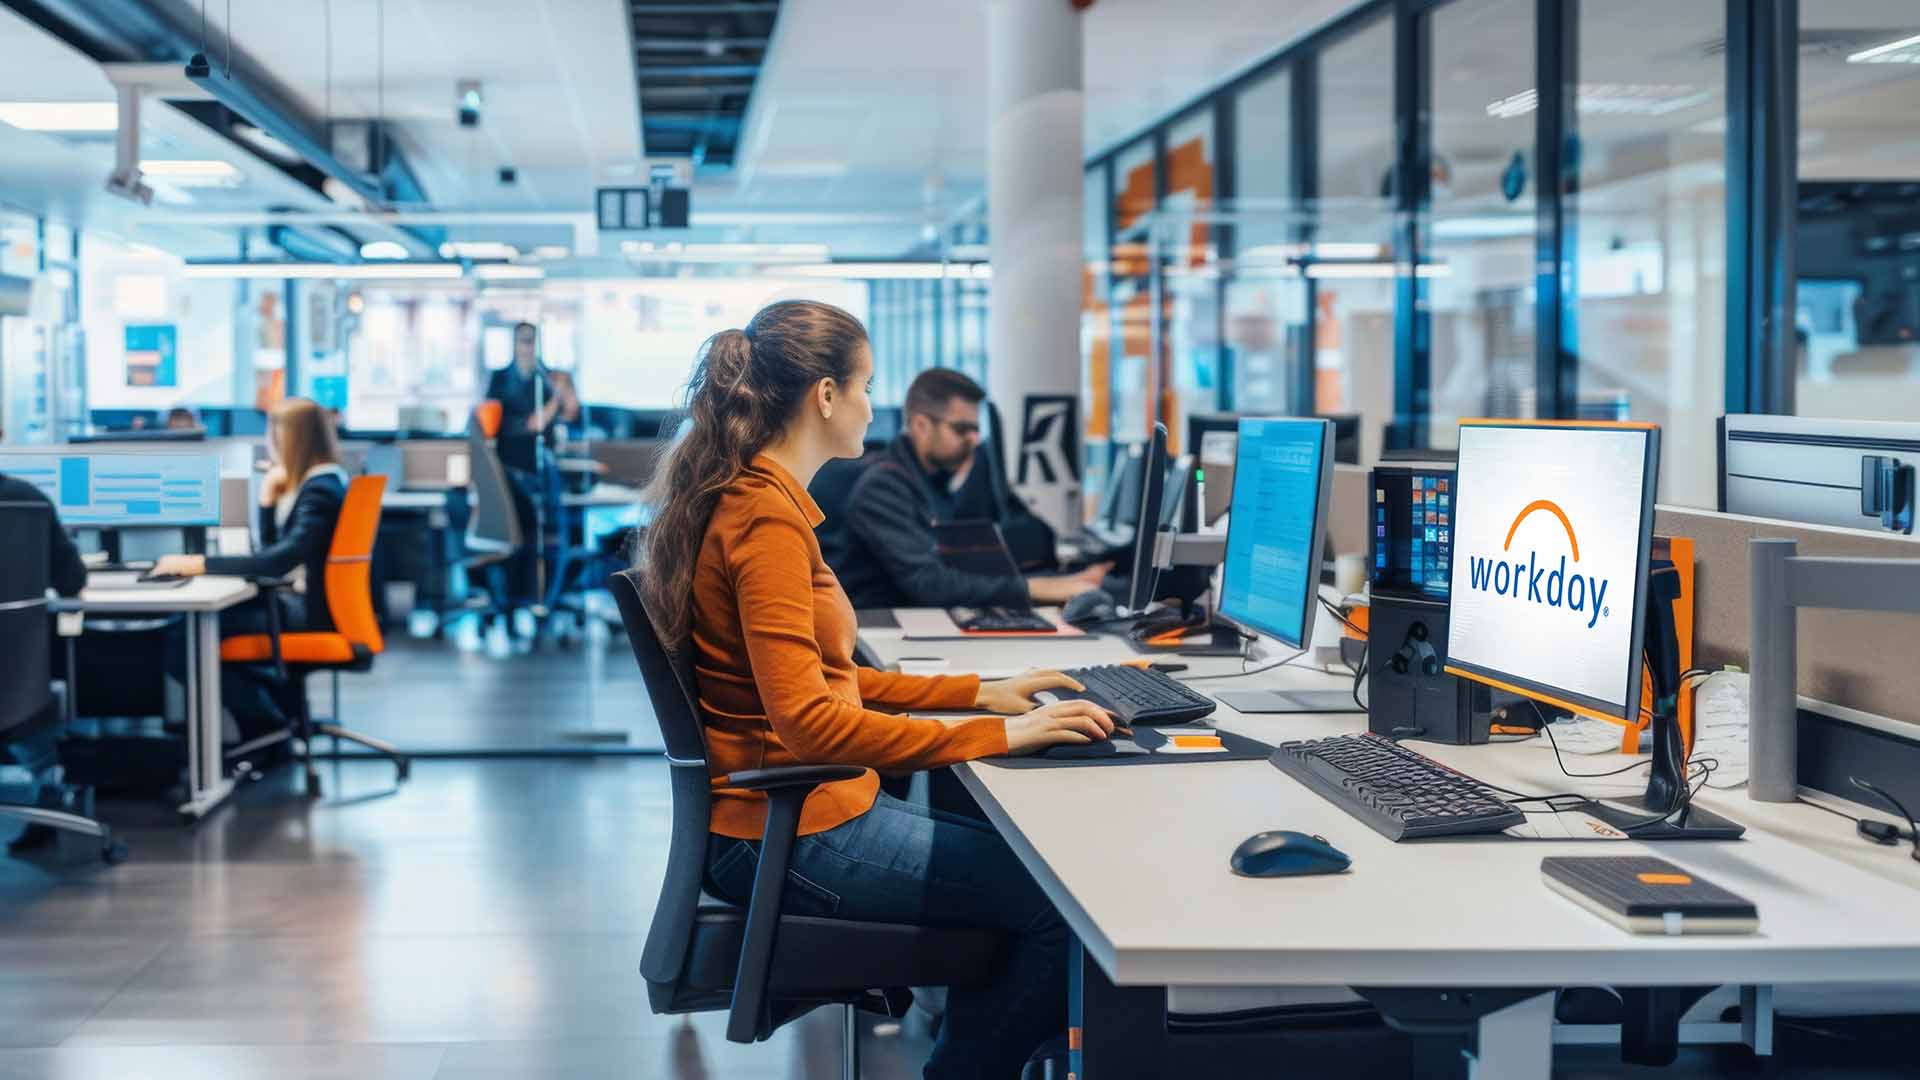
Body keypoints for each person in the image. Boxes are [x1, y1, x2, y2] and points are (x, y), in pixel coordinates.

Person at [638, 300, 1115, 1078]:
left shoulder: (758, 501)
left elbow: (829, 679)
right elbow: (812, 726)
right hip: (795, 835)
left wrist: (985, 693)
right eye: (866, 386)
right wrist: (1002, 736)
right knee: (1063, 905)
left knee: (1032, 873)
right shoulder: (764, 524)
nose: (873, 405)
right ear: (825, 396)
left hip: (789, 821)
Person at [824, 367, 1107, 610]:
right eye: (962, 430)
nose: (973, 439)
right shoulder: (883, 486)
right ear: (921, 425)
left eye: (975, 429)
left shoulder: (928, 482)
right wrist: (1039, 589)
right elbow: (930, 583)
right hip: (874, 633)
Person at [152, 397, 348, 741]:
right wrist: (268, 502)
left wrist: (199, 564)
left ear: (292, 439)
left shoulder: (321, 490)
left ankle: (266, 727)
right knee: (191, 630)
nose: (270, 443)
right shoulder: (324, 482)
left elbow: (276, 562)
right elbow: (277, 552)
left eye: (274, 434)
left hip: (308, 612)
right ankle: (274, 720)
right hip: (306, 604)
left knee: (184, 638)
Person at [484, 322, 579, 636]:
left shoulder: (546, 377)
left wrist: (565, 390)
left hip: (544, 473)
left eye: (531, 341)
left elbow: (571, 414)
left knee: (552, 541)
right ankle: (513, 605)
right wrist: (553, 401)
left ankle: (544, 604)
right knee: (518, 543)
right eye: (522, 341)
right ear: (514, 344)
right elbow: (532, 424)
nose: (527, 347)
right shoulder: (501, 380)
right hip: (513, 473)